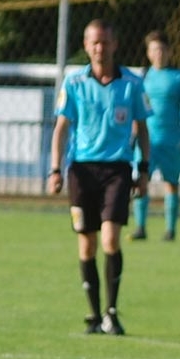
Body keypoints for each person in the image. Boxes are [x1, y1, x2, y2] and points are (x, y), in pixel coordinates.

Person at [46, 19, 150, 335]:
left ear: (114, 44)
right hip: (81, 170)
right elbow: (61, 128)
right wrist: (55, 169)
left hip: (117, 169)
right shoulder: (74, 83)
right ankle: (93, 315)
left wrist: (143, 170)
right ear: (86, 45)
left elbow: (142, 129)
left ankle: (112, 311)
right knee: (87, 245)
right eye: (94, 42)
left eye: (105, 42)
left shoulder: (131, 84)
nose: (99, 48)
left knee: (111, 239)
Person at [131, 30, 180, 242]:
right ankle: (140, 227)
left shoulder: (178, 77)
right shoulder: (143, 77)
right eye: (153, 50)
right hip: (146, 140)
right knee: (141, 181)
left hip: (171, 140)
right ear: (148, 53)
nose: (158, 54)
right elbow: (136, 109)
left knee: (171, 183)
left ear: (169, 51)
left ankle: (170, 229)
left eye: (161, 49)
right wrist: (132, 136)